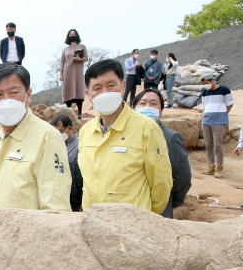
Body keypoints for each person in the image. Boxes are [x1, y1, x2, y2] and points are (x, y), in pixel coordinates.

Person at [78, 59, 172, 214]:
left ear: (123, 87)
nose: (104, 93)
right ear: (88, 94)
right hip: (93, 223)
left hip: (132, 227)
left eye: (111, 85)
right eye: (97, 88)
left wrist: (146, 216)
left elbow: (160, 183)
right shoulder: (86, 131)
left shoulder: (147, 128)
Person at [0, 63, 71, 210]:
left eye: (14, 92)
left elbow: (56, 208)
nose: (6, 101)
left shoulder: (47, 137)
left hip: (26, 232)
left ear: (28, 95)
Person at [133, 88, 191, 218]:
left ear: (160, 111)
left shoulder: (171, 138)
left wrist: (171, 202)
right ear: (134, 109)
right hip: (132, 208)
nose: (148, 107)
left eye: (153, 104)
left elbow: (183, 177)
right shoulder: (127, 136)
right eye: (142, 103)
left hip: (159, 211)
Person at [200, 75, 234, 178]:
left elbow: (229, 104)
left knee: (218, 145)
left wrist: (221, 114)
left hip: (219, 121)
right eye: (203, 84)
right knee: (208, 144)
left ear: (212, 80)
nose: (205, 85)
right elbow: (204, 106)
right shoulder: (205, 92)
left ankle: (219, 167)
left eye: (206, 83)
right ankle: (211, 165)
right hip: (207, 120)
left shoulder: (224, 89)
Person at [50, 114, 82, 212]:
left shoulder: (80, 145)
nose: (57, 134)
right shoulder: (54, 144)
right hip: (58, 192)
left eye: (59, 131)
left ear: (69, 128)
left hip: (74, 195)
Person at [60, 29, 88, 118]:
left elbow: (86, 58)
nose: (72, 35)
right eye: (70, 34)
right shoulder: (65, 50)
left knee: (78, 90)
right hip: (67, 72)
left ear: (77, 36)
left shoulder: (82, 46)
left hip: (78, 72)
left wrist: (78, 59)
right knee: (68, 90)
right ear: (68, 37)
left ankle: (80, 112)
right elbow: (62, 62)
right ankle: (69, 112)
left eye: (74, 34)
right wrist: (61, 74)